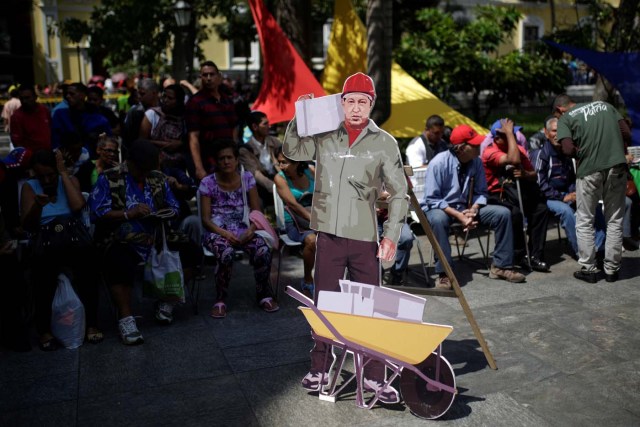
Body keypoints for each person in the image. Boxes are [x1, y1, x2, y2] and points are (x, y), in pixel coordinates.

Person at [283, 72, 408, 404]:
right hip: (328, 235)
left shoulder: (384, 143)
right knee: (325, 304)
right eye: (350, 101)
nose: (355, 109)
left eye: (362, 102)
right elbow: (292, 150)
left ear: (372, 104)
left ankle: (374, 377)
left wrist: (391, 235)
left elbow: (399, 193)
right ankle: (320, 367)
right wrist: (300, 116)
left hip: (364, 236)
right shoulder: (325, 135)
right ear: (341, 103)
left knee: (371, 308)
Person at [90, 140, 180, 344]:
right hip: (123, 240)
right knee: (117, 261)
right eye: (142, 169)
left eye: (150, 169)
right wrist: (128, 213)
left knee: (192, 252)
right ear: (130, 163)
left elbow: (175, 205)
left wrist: (166, 213)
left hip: (157, 237)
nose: (146, 174)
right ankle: (126, 318)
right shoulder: (110, 178)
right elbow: (97, 212)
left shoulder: (156, 177)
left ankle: (166, 302)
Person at [423, 125, 525, 288]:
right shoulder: (438, 163)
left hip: (468, 208)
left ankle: (501, 266)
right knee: (437, 220)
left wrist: (474, 209)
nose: (480, 147)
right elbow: (432, 199)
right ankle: (444, 273)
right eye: (475, 145)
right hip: (444, 209)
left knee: (503, 213)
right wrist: (459, 215)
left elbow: (481, 192)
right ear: (462, 148)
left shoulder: (476, 162)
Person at [21, 150, 102, 351]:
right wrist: (37, 207)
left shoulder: (69, 180)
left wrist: (63, 174)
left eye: (51, 174)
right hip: (45, 240)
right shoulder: (29, 187)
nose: (47, 180)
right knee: (42, 269)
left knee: (88, 263)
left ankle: (91, 323)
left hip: (72, 237)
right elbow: (28, 226)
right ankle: (44, 330)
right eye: (42, 176)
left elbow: (77, 206)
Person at [554, 94, 631, 283]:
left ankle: (589, 269)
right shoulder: (605, 106)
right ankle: (612, 270)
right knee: (614, 218)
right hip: (617, 166)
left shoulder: (566, 118)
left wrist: (581, 151)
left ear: (559, 110)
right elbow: (626, 133)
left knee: (584, 219)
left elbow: (566, 148)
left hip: (589, 171)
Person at [199, 139, 279, 318]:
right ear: (216, 162)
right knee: (225, 253)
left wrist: (251, 230)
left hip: (244, 229)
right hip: (217, 231)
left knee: (262, 250)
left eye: (229, 157)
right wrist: (225, 234)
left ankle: (264, 294)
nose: (226, 161)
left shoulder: (247, 179)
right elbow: (205, 219)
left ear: (236, 160)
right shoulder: (207, 182)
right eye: (221, 158)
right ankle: (220, 299)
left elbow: (256, 210)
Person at [531, 116, 605, 258]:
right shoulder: (541, 154)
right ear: (546, 133)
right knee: (566, 212)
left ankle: (600, 247)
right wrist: (563, 197)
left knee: (593, 203)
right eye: (554, 131)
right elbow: (540, 184)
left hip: (565, 194)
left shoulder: (565, 154)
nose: (557, 134)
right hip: (547, 198)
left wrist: (575, 193)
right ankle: (582, 253)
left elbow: (571, 179)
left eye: (561, 130)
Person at [482, 118, 550, 272]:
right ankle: (518, 254)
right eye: (509, 134)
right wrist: (509, 136)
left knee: (541, 209)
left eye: (513, 133)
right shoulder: (490, 151)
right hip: (497, 195)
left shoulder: (519, 149)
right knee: (515, 213)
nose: (513, 135)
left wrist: (525, 174)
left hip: (518, 192)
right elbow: (513, 159)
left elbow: (534, 175)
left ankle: (534, 255)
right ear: (498, 138)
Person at [273, 146, 316, 297]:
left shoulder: (310, 171)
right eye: (279, 162)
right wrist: (314, 220)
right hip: (294, 222)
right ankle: (307, 279)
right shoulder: (280, 178)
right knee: (312, 241)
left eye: (284, 162)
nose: (281, 166)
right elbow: (293, 205)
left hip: (316, 216)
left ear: (297, 162)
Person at [185, 61, 239, 181]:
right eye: (205, 75)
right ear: (201, 78)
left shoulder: (227, 100)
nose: (208, 78)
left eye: (212, 74)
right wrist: (199, 168)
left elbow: (234, 126)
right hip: (208, 160)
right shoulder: (195, 102)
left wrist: (235, 155)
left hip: (228, 159)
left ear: (219, 77)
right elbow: (193, 137)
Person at [51, 82, 112, 158]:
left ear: (82, 95)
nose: (67, 96)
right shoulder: (60, 115)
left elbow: (108, 142)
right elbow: (55, 140)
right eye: (66, 94)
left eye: (72, 94)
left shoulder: (98, 118)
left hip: (92, 161)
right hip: (68, 161)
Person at [239, 111, 282, 206]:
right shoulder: (245, 150)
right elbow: (256, 174)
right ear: (255, 127)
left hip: (279, 178)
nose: (269, 126)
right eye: (265, 124)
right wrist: (275, 188)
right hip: (261, 186)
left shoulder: (274, 142)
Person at [139, 84, 187, 162]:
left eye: (170, 98)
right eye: (164, 96)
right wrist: (164, 144)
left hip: (178, 163)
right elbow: (142, 142)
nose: (165, 100)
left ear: (178, 101)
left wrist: (180, 144)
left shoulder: (184, 118)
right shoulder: (152, 114)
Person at [9, 85, 51, 152]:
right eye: (21, 98)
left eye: (27, 98)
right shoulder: (16, 117)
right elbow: (17, 143)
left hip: (49, 154)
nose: (24, 101)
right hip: (31, 158)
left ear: (35, 97)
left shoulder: (44, 110)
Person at [123, 78, 160, 150]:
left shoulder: (165, 109)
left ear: (154, 93)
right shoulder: (135, 112)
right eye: (138, 94)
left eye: (142, 94)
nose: (139, 97)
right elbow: (127, 137)